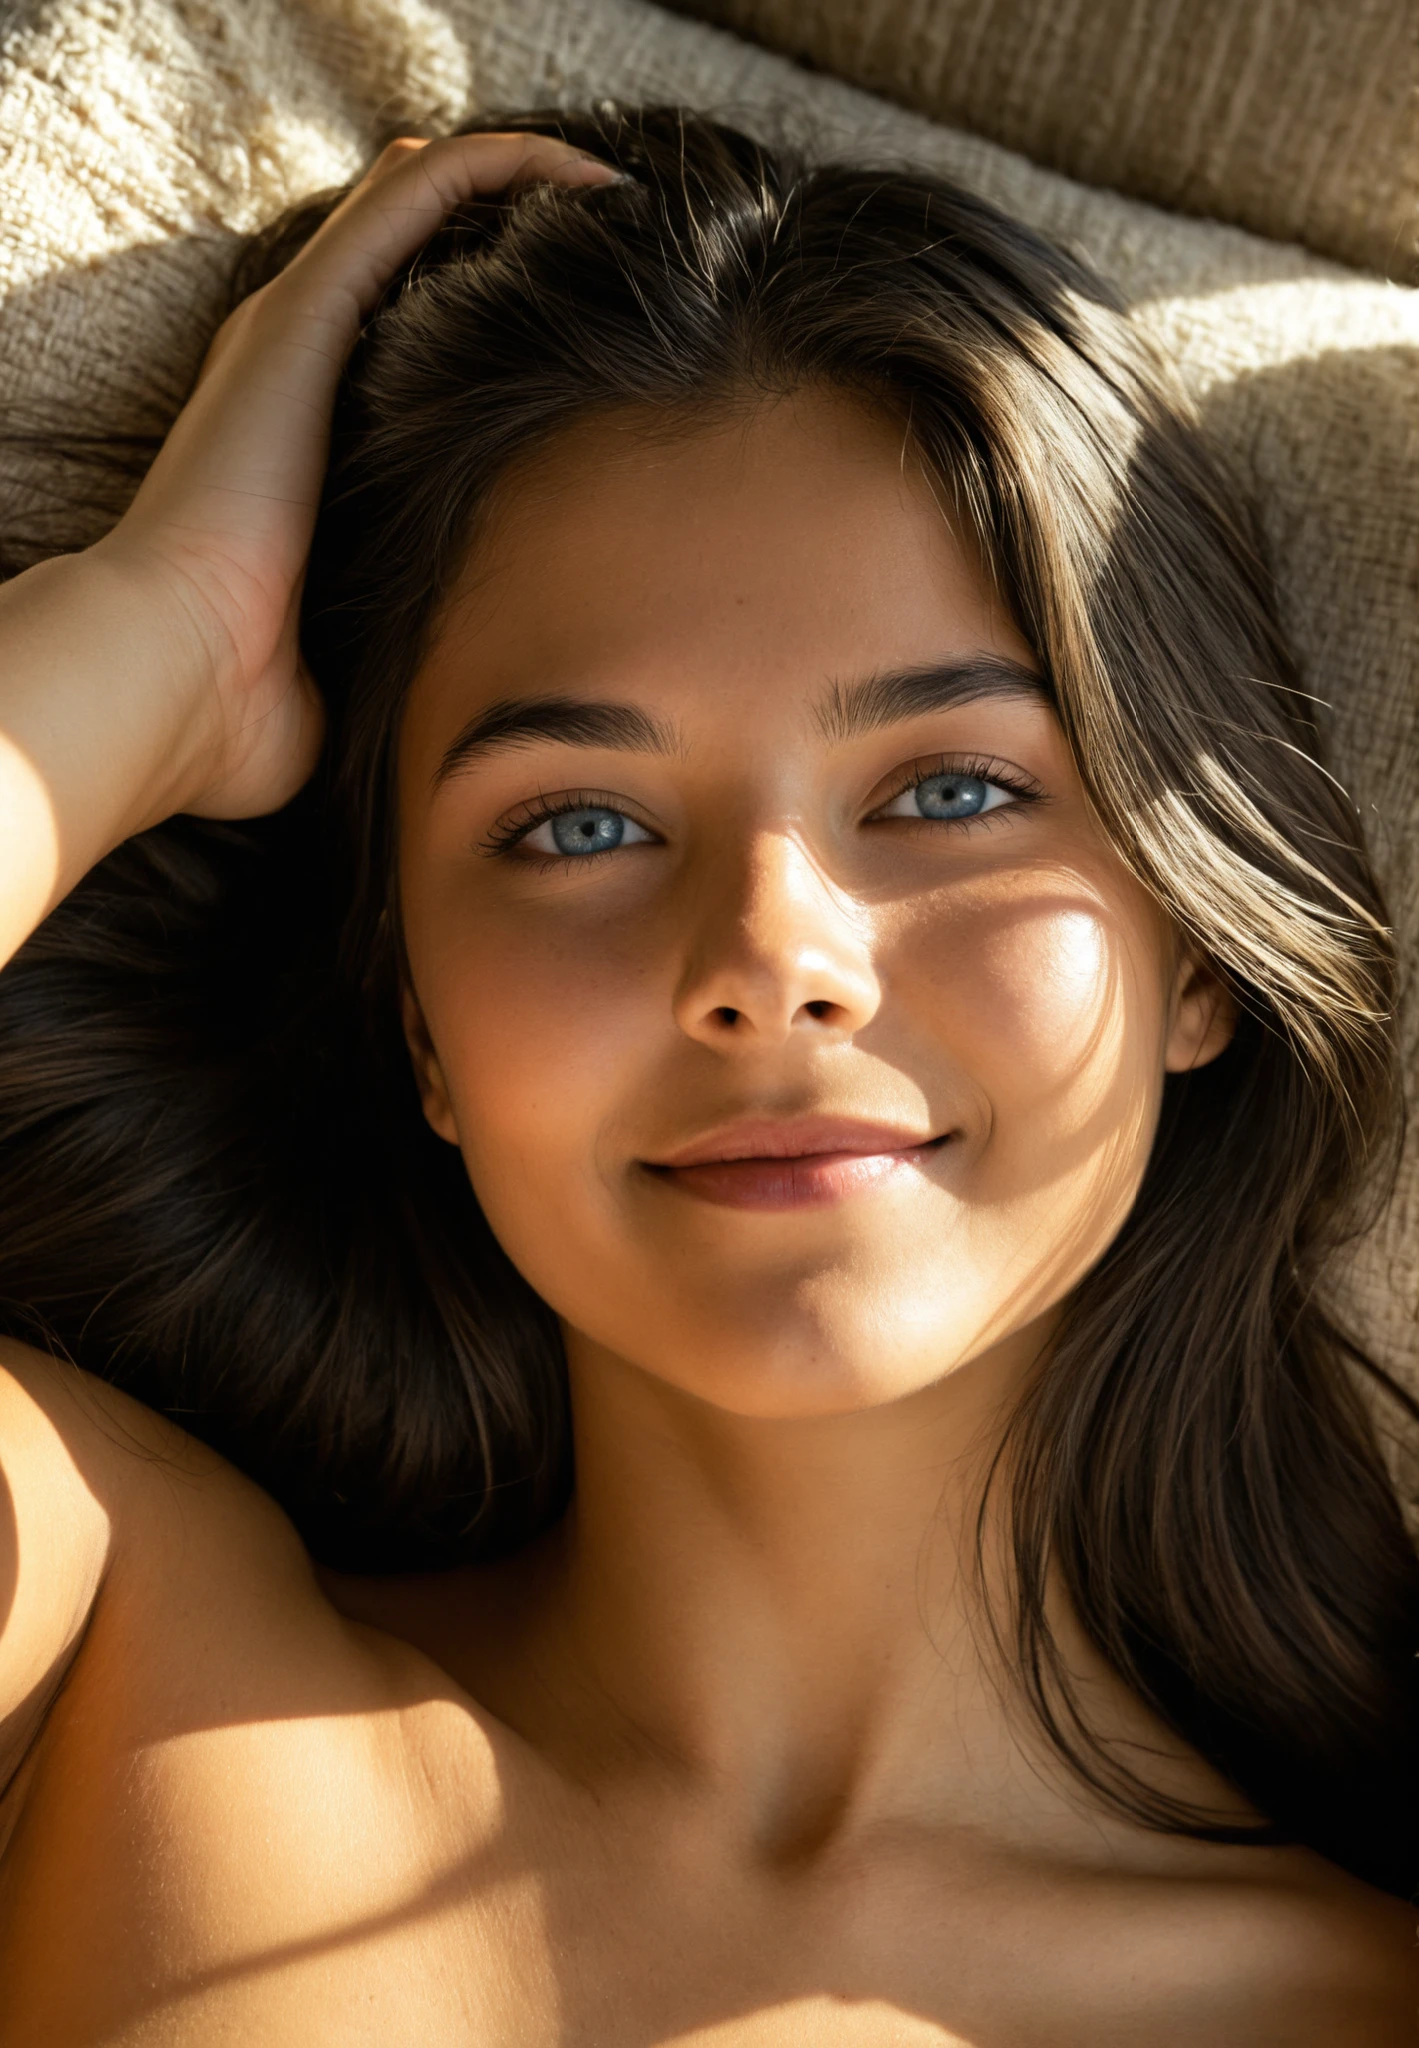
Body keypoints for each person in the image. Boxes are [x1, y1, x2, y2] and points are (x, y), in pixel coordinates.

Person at [0, 106, 1413, 2042]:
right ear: (416, 1015)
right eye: (575, 824)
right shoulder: (109, 1625)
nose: (770, 961)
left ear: (1195, 951)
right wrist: (151, 640)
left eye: (948, 791)